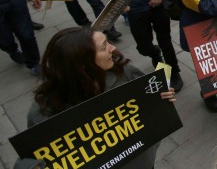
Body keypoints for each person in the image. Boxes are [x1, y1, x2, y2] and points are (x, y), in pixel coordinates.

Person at [28, 27, 176, 168]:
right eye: (104, 47)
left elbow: (151, 112)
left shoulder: (124, 71)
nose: (112, 48)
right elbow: (39, 157)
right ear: (83, 64)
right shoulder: (43, 113)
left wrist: (159, 100)